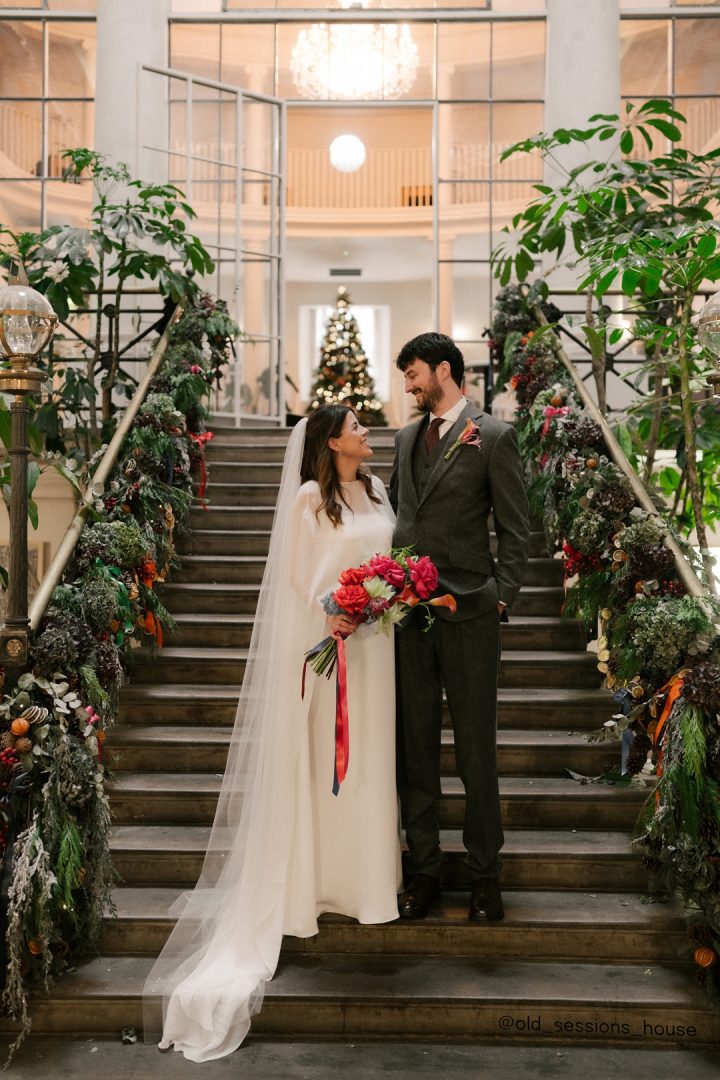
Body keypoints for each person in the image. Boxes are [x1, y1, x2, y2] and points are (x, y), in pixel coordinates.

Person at [144, 405, 401, 1063]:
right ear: (331, 440)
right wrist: (340, 611)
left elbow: (391, 560)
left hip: (378, 652)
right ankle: (311, 885)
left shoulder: (374, 490)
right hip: (330, 646)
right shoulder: (311, 500)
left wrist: (388, 597)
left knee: (368, 764)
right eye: (357, 426)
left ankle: (367, 882)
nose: (368, 433)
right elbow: (297, 578)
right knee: (322, 766)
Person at [389, 332, 530, 923]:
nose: (408, 384)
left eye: (414, 373)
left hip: (471, 612)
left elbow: (518, 529)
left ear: (443, 369)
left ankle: (483, 876)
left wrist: (500, 597)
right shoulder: (402, 439)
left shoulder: (493, 437)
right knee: (414, 748)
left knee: (476, 750)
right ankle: (422, 869)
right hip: (407, 616)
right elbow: (399, 509)